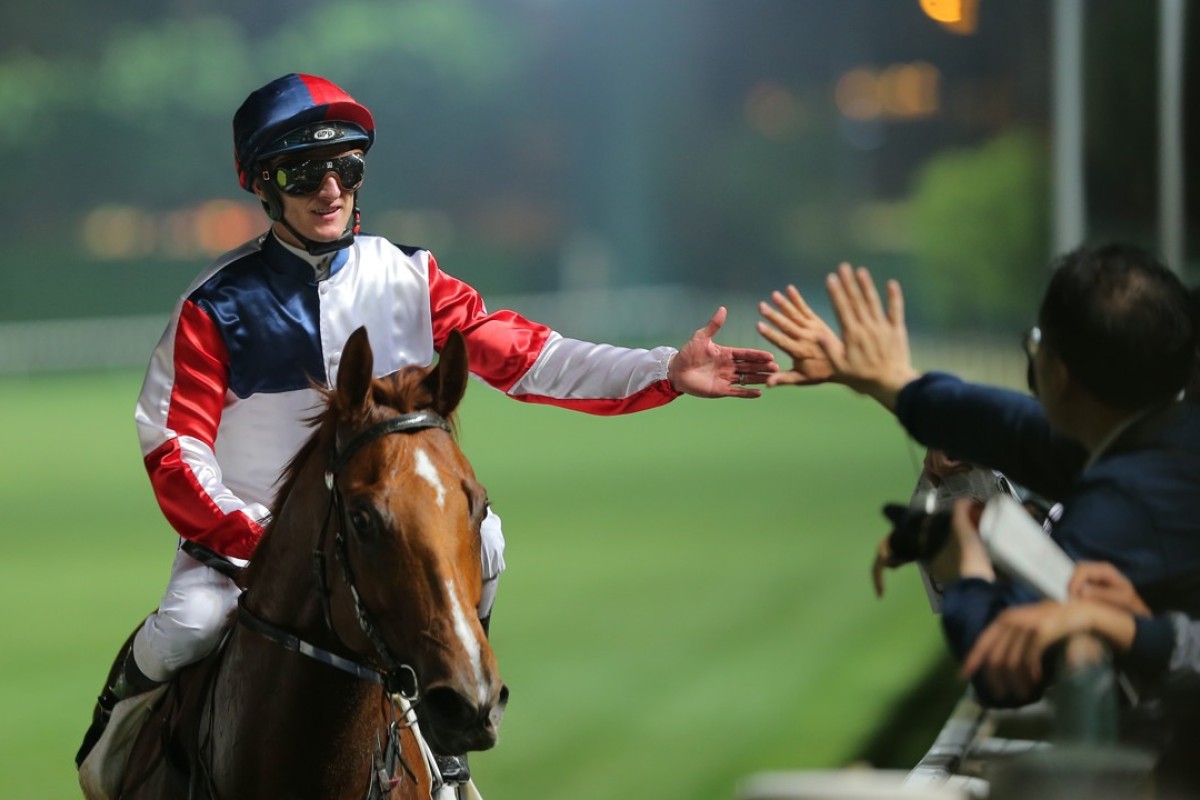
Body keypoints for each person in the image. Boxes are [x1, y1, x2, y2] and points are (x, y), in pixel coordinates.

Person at [77, 72, 778, 777]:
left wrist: (662, 370)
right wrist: (261, 541)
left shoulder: (410, 278)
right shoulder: (211, 308)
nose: (330, 191)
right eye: (304, 172)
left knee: (490, 541)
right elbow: (175, 451)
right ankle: (113, 746)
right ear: (264, 184)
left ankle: (446, 740)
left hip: (383, 536)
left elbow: (533, 358)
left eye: (346, 168)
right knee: (188, 628)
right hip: (246, 552)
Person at [756, 245, 1200, 706]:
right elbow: (1003, 425)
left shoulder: (1125, 500)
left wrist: (963, 561)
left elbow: (1002, 665)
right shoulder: (1163, 435)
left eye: (1037, 342)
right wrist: (886, 379)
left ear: (1059, 375)